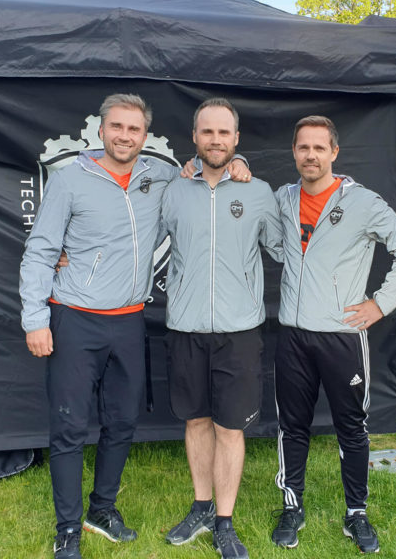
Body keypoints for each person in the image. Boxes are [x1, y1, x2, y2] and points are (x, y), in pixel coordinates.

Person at [20, 94, 250, 559]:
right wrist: (35, 320)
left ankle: (102, 509)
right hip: (74, 319)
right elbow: (41, 251)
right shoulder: (69, 180)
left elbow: (206, 170)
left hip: (128, 321)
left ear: (145, 136)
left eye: (134, 129)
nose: (125, 136)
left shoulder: (159, 177)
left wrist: (239, 162)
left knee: (122, 422)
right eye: (117, 127)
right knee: (69, 428)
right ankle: (68, 528)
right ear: (101, 130)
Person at [271, 116, 396, 554]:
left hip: (341, 336)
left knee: (352, 428)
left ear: (334, 152)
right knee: (292, 426)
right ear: (294, 152)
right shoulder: (282, 198)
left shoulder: (362, 202)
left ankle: (356, 512)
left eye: (319, 148)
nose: (311, 155)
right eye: (303, 147)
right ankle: (292, 507)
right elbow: (273, 242)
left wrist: (380, 303)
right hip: (294, 335)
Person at [159, 98, 283, 559]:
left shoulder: (259, 192)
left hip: (239, 331)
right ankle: (201, 506)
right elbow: (136, 241)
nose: (216, 140)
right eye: (207, 132)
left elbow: (285, 249)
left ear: (236, 139)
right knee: (196, 420)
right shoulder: (172, 191)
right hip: (186, 327)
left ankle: (225, 523)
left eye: (224, 133)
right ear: (195, 137)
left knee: (230, 427)